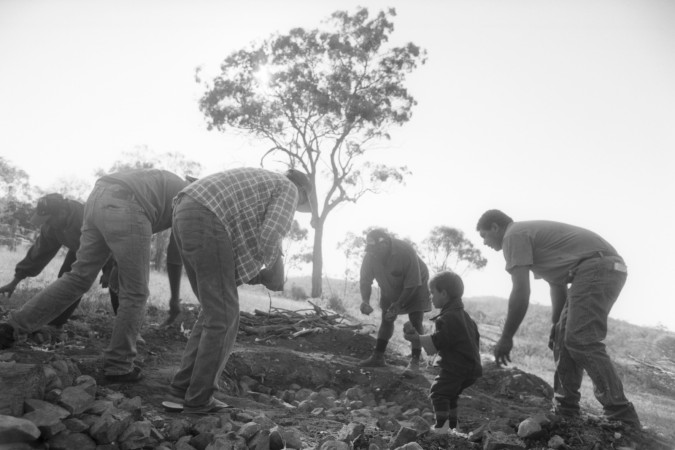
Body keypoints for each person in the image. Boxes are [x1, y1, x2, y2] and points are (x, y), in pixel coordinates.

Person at [0, 169, 188, 383]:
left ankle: (13, 327)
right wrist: (174, 298)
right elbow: (174, 256)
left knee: (78, 277)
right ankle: (119, 365)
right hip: (127, 205)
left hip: (98, 198)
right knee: (135, 293)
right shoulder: (189, 198)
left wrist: (116, 265)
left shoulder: (168, 185)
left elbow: (132, 231)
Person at [164, 167, 312, 414]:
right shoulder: (288, 188)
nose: (296, 207)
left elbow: (232, 255)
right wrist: (277, 268)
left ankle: (180, 392)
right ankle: (199, 399)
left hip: (184, 209)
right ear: (303, 191)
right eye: (302, 203)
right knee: (224, 317)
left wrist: (260, 274)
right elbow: (271, 234)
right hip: (205, 214)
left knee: (213, 313)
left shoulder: (259, 184)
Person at [475, 209, 641, 428]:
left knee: (581, 339)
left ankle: (621, 413)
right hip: (596, 268)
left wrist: (506, 337)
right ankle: (566, 408)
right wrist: (556, 324)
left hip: (598, 267)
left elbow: (521, 291)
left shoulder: (513, 235)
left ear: (495, 227)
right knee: (563, 340)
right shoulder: (533, 242)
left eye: (484, 235)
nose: (485, 243)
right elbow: (557, 285)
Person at [0, 193, 115, 326]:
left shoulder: (87, 217)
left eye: (49, 220)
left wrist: (110, 269)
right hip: (79, 248)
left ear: (62, 212)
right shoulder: (51, 228)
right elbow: (38, 254)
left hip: (110, 247)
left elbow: (113, 242)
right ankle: (55, 324)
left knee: (118, 282)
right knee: (66, 280)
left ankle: (128, 329)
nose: (47, 224)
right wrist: (14, 282)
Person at [403, 271, 482, 433]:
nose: (431, 297)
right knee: (450, 395)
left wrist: (416, 339)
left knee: (438, 392)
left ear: (444, 293)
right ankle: (453, 426)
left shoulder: (446, 318)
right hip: (472, 368)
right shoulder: (466, 318)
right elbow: (474, 341)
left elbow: (439, 341)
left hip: (457, 367)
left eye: (432, 293)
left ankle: (442, 427)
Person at [358, 228, 431, 375]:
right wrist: (365, 301)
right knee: (386, 318)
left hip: (416, 284)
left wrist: (398, 304)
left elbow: (412, 283)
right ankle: (378, 356)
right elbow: (365, 281)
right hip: (389, 285)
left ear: (384, 244)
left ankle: (415, 362)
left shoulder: (405, 251)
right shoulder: (370, 257)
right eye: (370, 250)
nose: (372, 254)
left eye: (375, 250)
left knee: (415, 320)